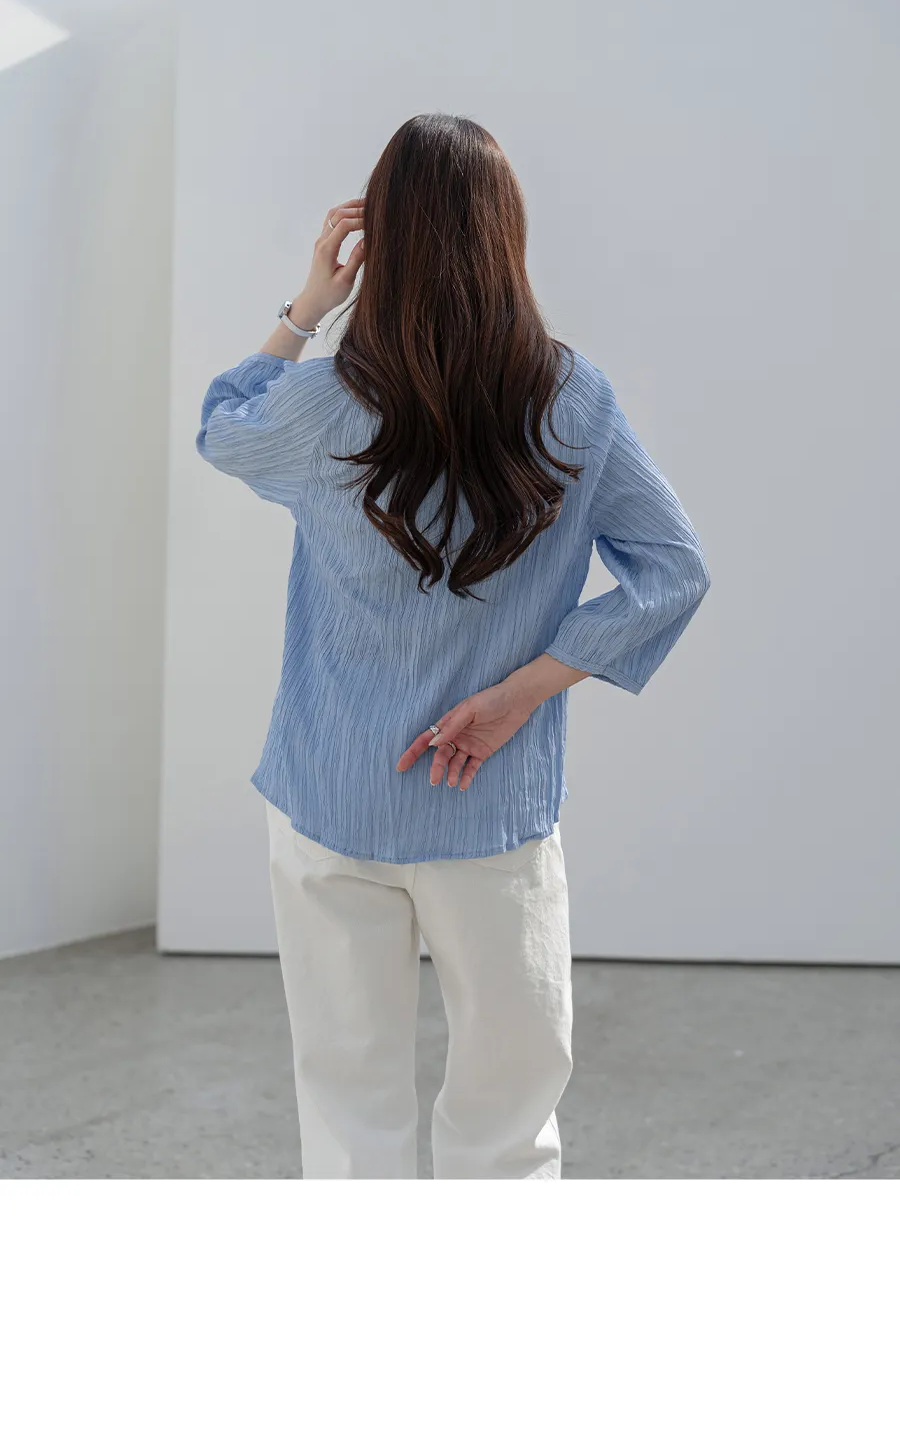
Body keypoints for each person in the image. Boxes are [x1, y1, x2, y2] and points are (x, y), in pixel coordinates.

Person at [195, 112, 710, 1180]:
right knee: (507, 1124)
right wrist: (525, 691)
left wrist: (306, 306)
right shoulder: (572, 398)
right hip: (490, 808)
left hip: (331, 794)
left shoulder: (321, 403)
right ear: (506, 234)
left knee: (348, 1110)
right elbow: (674, 570)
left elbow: (222, 425)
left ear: (378, 236)